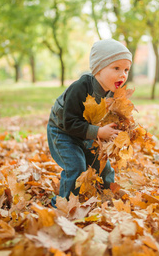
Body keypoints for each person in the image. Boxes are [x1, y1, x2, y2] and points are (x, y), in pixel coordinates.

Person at [47, 38, 132, 207]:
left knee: (102, 165)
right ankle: (62, 203)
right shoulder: (80, 88)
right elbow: (69, 123)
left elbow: (110, 117)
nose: (123, 74)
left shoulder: (112, 92)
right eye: (116, 68)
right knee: (76, 166)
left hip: (87, 132)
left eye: (126, 69)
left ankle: (107, 195)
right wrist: (98, 132)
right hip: (63, 132)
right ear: (98, 69)